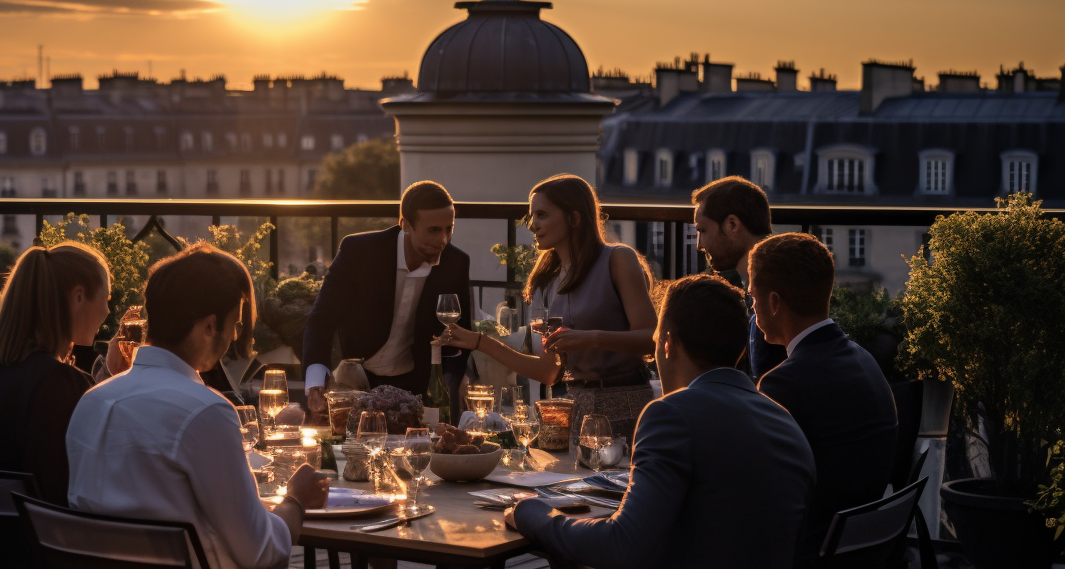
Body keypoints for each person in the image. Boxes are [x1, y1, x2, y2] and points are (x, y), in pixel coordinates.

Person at [65, 243, 421, 569]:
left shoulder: (93, 402)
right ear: (208, 325)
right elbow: (261, 552)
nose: (234, 337)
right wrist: (296, 499)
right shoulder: (204, 410)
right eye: (234, 325)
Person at [455, 275, 815, 569]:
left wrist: (535, 515)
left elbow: (626, 547)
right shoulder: (783, 421)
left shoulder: (671, 414)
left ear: (666, 344)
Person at [439, 175, 656, 443]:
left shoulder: (618, 259)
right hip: (579, 413)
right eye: (532, 217)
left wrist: (589, 338)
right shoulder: (545, 282)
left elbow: (652, 338)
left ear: (574, 218)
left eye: (541, 215)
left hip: (629, 403)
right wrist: (480, 342)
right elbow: (548, 372)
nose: (533, 225)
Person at [750, 233, 898, 559]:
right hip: (853, 561)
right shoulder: (863, 359)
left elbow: (756, 488)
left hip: (804, 563)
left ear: (774, 302)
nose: (753, 307)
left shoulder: (784, 385)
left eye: (754, 297)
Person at [0, 241, 108, 504]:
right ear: (78, 296)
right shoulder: (64, 385)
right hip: (36, 539)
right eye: (107, 299)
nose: (107, 311)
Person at [303, 180, 472, 411]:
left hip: (418, 386)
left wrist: (452, 385)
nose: (443, 240)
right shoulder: (359, 252)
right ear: (405, 225)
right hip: (355, 382)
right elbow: (322, 317)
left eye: (449, 228)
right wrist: (315, 382)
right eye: (433, 230)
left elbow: (461, 334)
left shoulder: (456, 263)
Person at [692, 176, 788, 379]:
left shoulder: (768, 296)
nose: (699, 245)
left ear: (733, 225)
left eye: (703, 230)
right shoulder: (777, 277)